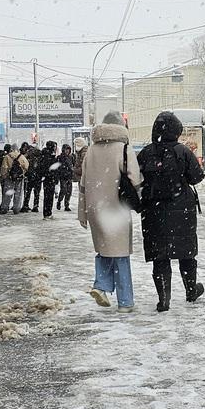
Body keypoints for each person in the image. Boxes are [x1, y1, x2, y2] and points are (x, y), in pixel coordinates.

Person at [138, 111, 205, 313]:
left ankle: (164, 299)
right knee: (186, 253)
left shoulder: (146, 152)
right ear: (177, 130)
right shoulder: (182, 151)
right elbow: (196, 177)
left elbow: (135, 178)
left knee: (160, 256)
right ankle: (191, 290)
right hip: (182, 209)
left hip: (153, 211)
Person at [78, 111, 142, 312]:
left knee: (104, 249)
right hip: (117, 208)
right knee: (120, 253)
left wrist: (82, 212)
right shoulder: (124, 148)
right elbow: (135, 179)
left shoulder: (91, 151)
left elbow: (82, 185)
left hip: (95, 208)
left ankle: (101, 285)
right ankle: (125, 301)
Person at [0, 144, 28, 214]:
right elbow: (26, 166)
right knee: (18, 194)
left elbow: (4, 167)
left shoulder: (7, 156)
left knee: (7, 193)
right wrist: (22, 172)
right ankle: (16, 208)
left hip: (9, 177)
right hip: (19, 178)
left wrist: (5, 175)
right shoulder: (22, 156)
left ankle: (4, 207)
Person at [39, 140, 60, 218]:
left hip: (47, 179)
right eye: (54, 146)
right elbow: (51, 169)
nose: (55, 148)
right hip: (49, 178)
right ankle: (48, 213)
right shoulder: (49, 157)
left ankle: (47, 212)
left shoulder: (44, 155)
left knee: (47, 196)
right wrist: (53, 176)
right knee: (49, 196)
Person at [56, 142, 77, 211]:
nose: (67, 151)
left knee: (69, 192)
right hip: (63, 176)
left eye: (68, 149)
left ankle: (66, 205)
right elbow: (58, 167)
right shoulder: (60, 157)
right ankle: (59, 201)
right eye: (66, 149)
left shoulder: (72, 157)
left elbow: (74, 165)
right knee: (63, 190)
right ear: (63, 150)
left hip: (69, 176)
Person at [20, 142, 40, 213]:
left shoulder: (28, 155)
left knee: (27, 192)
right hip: (37, 175)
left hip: (29, 175)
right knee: (36, 192)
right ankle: (35, 206)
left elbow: (25, 164)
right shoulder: (38, 155)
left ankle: (25, 205)